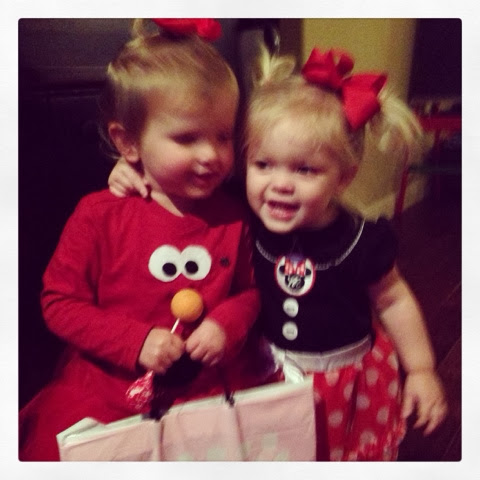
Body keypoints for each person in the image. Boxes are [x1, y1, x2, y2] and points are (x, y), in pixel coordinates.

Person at [109, 45, 448, 461]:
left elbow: (394, 301)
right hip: (265, 372)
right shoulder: (242, 210)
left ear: (343, 177)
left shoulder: (362, 241)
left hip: (342, 379)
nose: (280, 184)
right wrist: (133, 169)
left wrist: (421, 369)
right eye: (263, 165)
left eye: (305, 169)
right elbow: (183, 188)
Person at [19, 19, 275, 461]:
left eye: (223, 136)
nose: (211, 154)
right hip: (111, 396)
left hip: (211, 393)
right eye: (187, 138)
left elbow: (251, 291)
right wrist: (135, 342)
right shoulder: (98, 215)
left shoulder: (234, 215)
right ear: (128, 142)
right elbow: (59, 302)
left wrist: (226, 323)